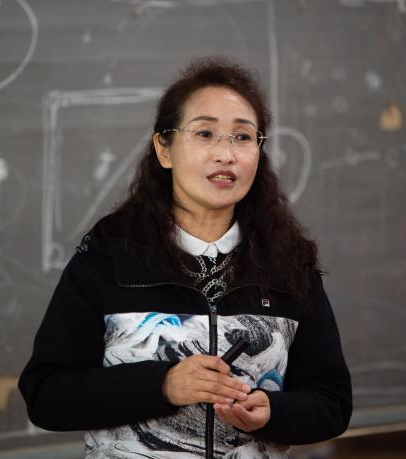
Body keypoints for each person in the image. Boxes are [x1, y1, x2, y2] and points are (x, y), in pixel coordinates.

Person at [19, 56, 352, 458]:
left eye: (243, 137)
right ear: (164, 149)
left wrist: (274, 412)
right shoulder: (109, 257)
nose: (226, 154)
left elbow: (332, 402)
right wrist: (162, 385)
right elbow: (46, 395)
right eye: (205, 133)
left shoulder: (287, 263)